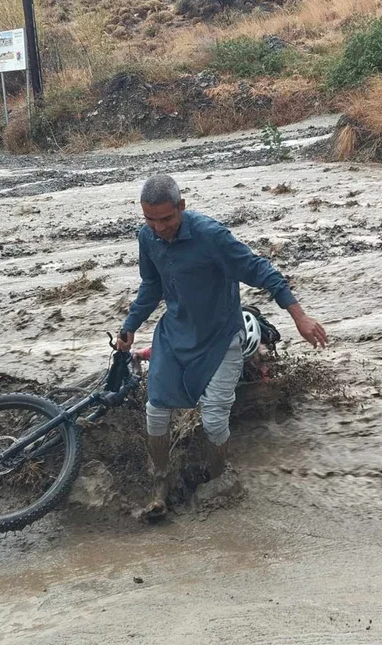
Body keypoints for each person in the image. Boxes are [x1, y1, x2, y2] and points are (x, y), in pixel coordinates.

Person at [116, 174, 328, 518]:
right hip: (174, 336)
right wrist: (130, 325)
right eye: (150, 220)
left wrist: (300, 318)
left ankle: (217, 478)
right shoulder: (148, 237)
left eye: (166, 219)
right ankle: (160, 486)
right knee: (156, 412)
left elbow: (262, 271)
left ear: (182, 208)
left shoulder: (210, 236)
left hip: (220, 339)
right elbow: (151, 286)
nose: (159, 228)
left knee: (214, 420)